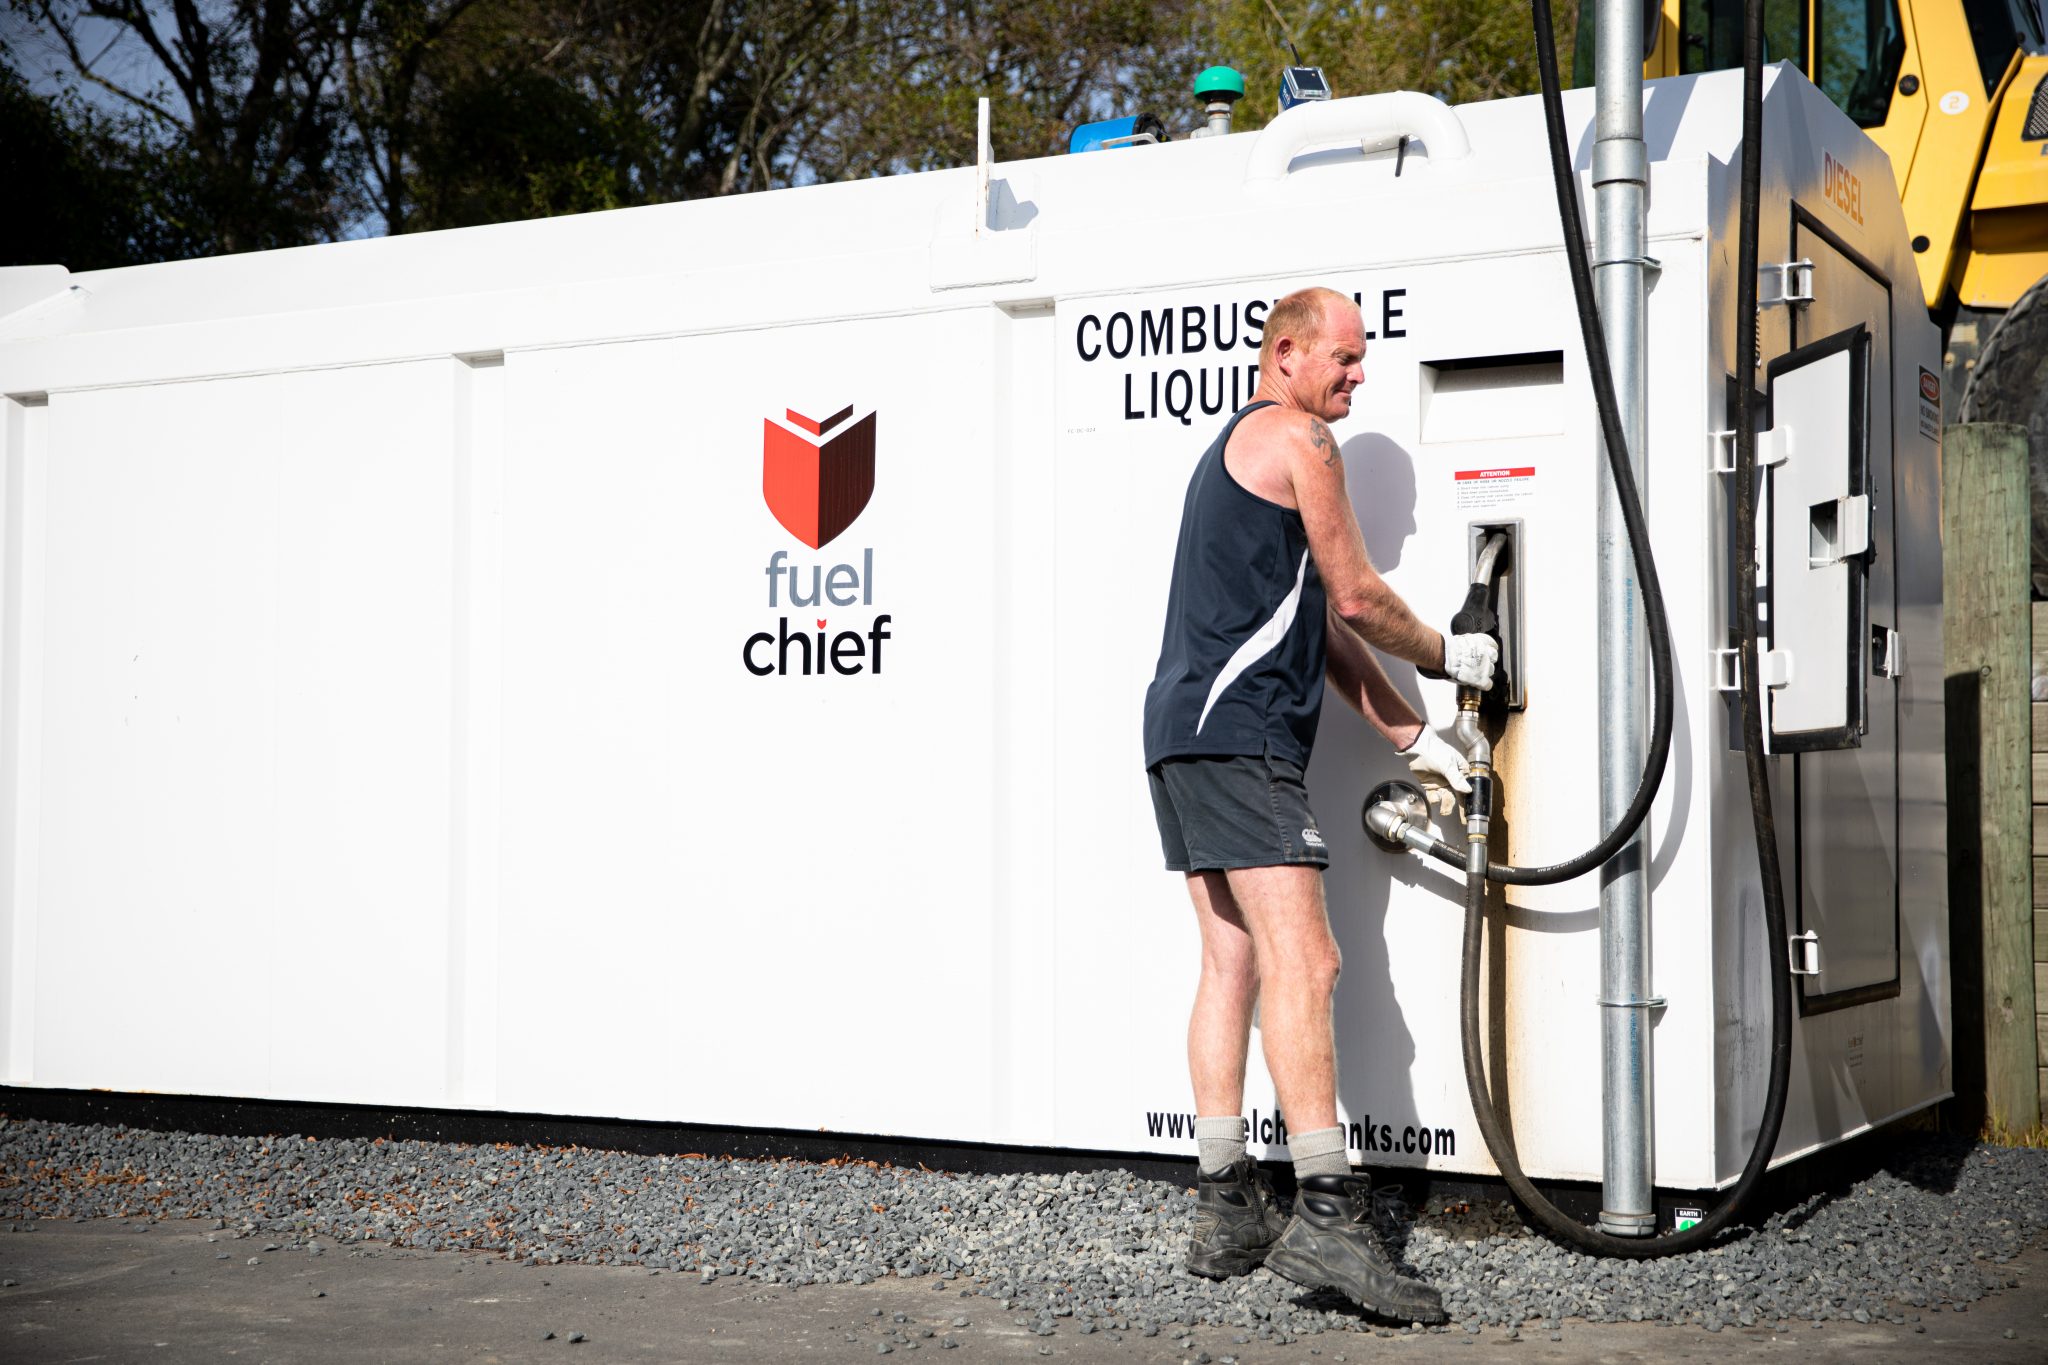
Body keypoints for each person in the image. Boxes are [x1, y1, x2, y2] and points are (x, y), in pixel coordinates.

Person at [1141, 285, 1496, 1324]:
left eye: (1358, 360)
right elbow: (1354, 592)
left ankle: (1222, 1206)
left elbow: (1312, 614)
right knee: (1311, 960)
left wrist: (1400, 723)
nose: (1355, 374)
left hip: (1180, 731)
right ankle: (1330, 1217)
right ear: (1286, 353)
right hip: (1241, 735)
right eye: (1342, 357)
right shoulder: (1298, 436)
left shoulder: (1233, 449)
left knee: (1233, 961)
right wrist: (1447, 652)